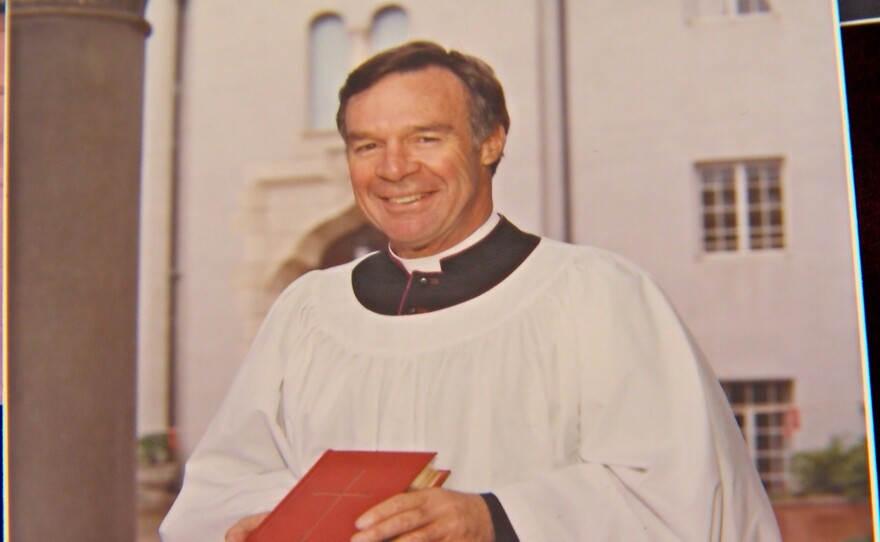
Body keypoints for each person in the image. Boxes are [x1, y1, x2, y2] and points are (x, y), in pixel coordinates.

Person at [160, 41, 782, 542]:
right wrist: (255, 526)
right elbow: (223, 484)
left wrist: (493, 519)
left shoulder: (595, 295)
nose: (395, 168)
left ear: (491, 141)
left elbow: (682, 498)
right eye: (368, 145)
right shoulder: (307, 313)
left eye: (427, 138)